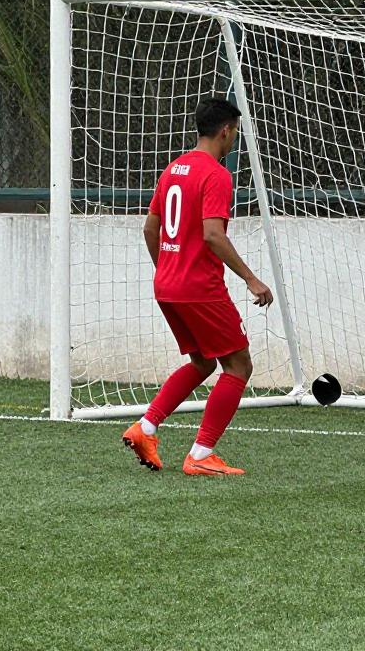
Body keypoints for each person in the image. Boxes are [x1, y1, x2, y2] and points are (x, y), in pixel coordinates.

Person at [121, 97, 274, 476]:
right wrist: (251, 278)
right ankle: (201, 455)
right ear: (226, 130)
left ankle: (145, 428)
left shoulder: (173, 169)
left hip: (167, 286)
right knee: (238, 365)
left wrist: (167, 268)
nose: (234, 138)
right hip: (199, 288)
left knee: (203, 362)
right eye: (235, 132)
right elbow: (212, 235)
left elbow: (150, 228)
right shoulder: (216, 175)